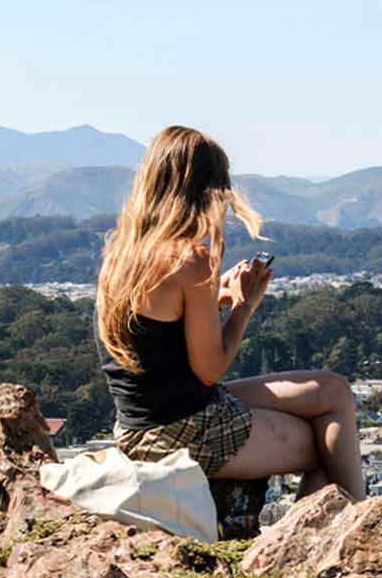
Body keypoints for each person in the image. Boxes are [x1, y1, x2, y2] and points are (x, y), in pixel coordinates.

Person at [96, 125, 365, 501]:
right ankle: (339, 536)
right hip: (177, 431)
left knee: (331, 388)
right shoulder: (191, 260)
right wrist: (244, 306)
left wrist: (215, 294)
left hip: (139, 424)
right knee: (329, 446)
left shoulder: (122, 253)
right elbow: (210, 370)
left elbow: (160, 328)